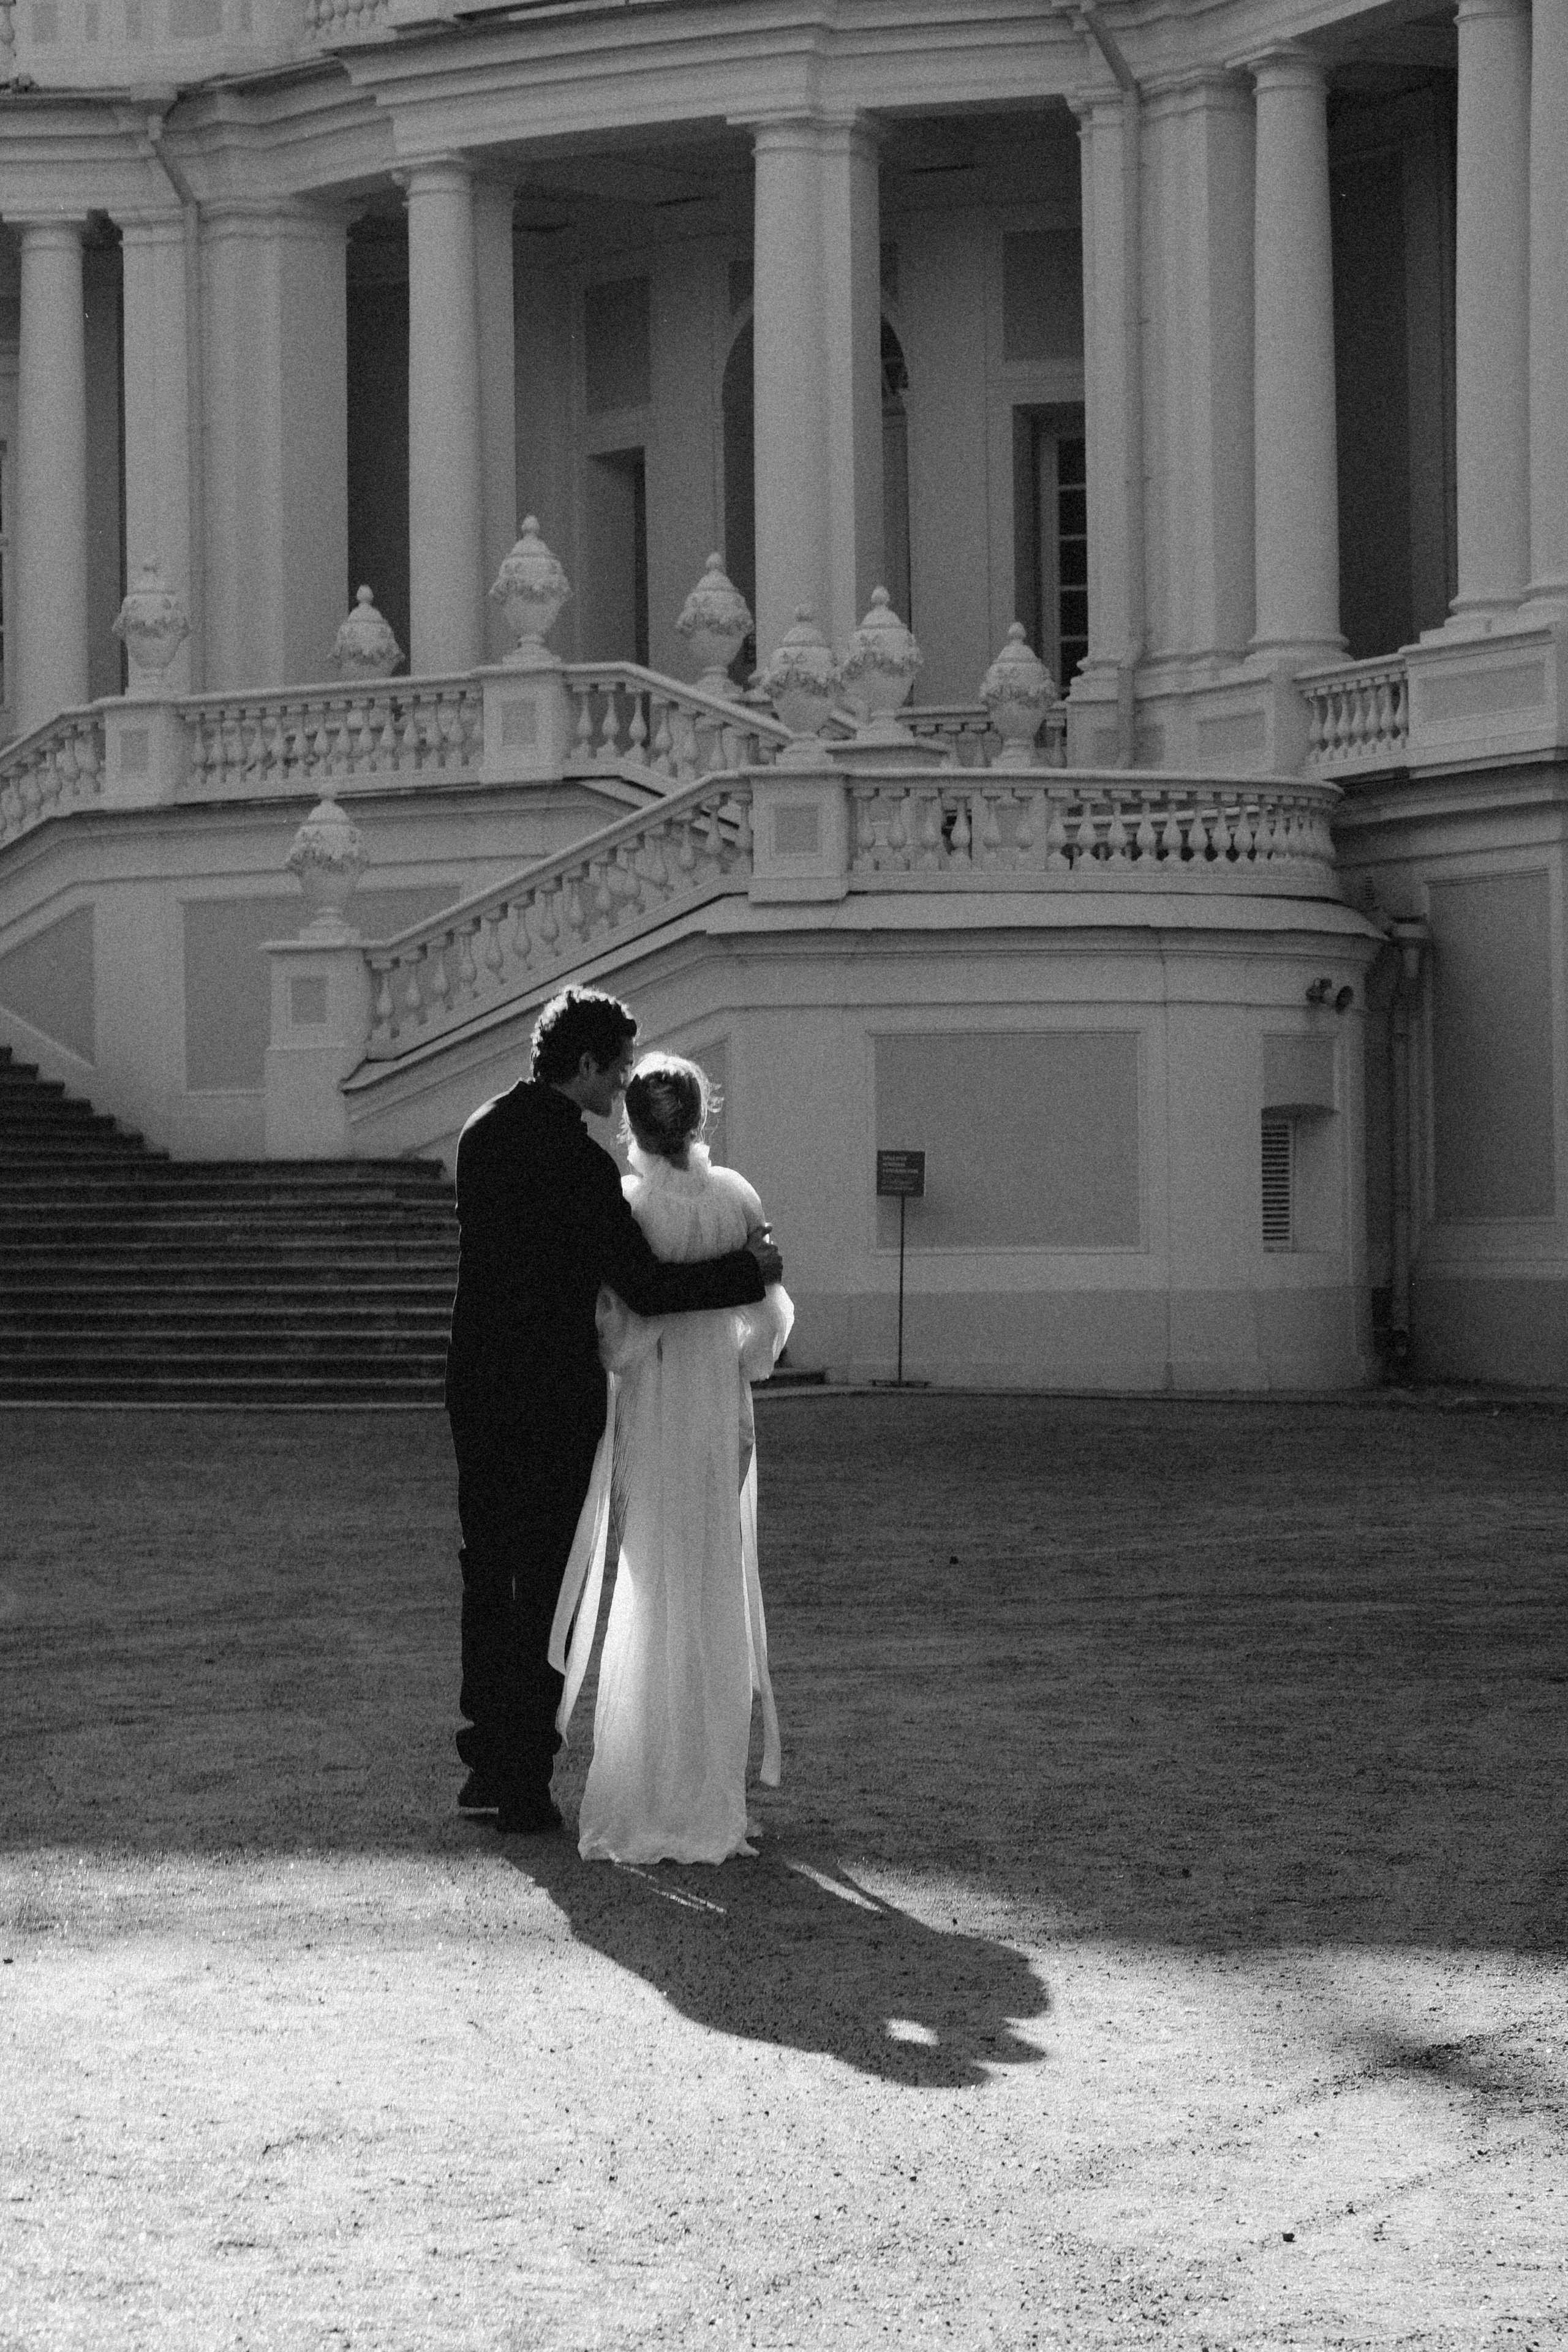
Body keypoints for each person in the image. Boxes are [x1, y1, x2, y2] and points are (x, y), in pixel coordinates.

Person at [445, 989, 783, 1836]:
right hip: (551, 1387)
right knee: (549, 1580)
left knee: (488, 1567)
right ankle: (524, 1778)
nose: (625, 1081)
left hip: (478, 1378)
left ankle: (485, 1761)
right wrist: (752, 1271)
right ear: (588, 1064)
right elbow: (648, 1288)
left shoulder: (481, 1129)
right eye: (620, 1065)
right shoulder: (582, 1164)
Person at [549, 1052, 793, 1864]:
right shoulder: (738, 1200)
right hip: (718, 1408)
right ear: (700, 1117)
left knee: (650, 1581)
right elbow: (769, 1328)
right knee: (714, 1581)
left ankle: (647, 1787)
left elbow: (617, 1334)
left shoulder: (630, 1208)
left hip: (655, 1414)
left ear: (635, 1125)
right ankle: (711, 1790)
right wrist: (734, 1348)